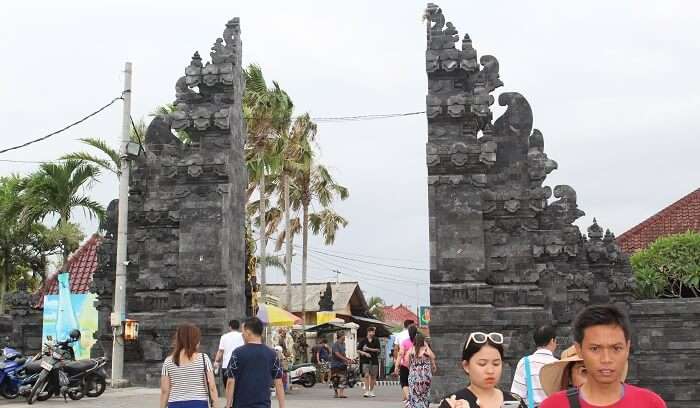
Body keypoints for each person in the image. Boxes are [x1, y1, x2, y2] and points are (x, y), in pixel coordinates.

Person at [540, 305, 666, 408]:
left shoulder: (650, 404)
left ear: (627, 348)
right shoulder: (553, 405)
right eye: (595, 349)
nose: (606, 359)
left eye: (616, 348)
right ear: (579, 349)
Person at [439, 331, 526, 408]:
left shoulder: (514, 402)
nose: (490, 371)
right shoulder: (453, 403)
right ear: (466, 366)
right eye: (482, 364)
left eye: (496, 364)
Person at [225, 317, 285, 408]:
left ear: (248, 333)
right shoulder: (272, 354)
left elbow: (230, 381)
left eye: (243, 332)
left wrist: (228, 405)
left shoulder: (237, 353)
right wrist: (282, 406)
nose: (242, 335)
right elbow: (279, 383)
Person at [160, 323, 218, 408]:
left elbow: (165, 390)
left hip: (175, 404)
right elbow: (211, 386)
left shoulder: (168, 361)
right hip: (198, 403)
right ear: (195, 340)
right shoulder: (203, 358)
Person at [511, 325, 559, 407]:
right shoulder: (559, 365)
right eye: (556, 341)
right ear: (552, 341)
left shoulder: (524, 362)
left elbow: (516, 396)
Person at [407, 331, 437, 408]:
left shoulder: (411, 350)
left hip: (414, 376)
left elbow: (408, 363)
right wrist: (426, 345)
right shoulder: (426, 350)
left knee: (414, 395)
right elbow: (433, 356)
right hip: (425, 377)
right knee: (425, 395)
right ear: (423, 340)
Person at [213, 319, 244, 394]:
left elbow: (220, 351)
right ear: (239, 327)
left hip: (226, 365)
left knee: (228, 388)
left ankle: (229, 404)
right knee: (239, 388)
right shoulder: (242, 336)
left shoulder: (224, 337)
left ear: (229, 327)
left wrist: (216, 361)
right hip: (240, 365)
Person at [396, 324, 417, 403]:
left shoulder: (405, 342)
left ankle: (408, 398)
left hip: (405, 365)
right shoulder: (420, 342)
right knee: (413, 383)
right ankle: (408, 397)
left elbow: (401, 354)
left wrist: (396, 365)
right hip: (416, 366)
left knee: (404, 382)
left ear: (408, 332)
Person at [358, 326, 381, 398]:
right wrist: (364, 353)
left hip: (374, 360)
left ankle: (371, 390)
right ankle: (367, 391)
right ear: (368, 332)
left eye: (374, 332)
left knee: (373, 376)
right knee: (366, 375)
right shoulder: (363, 340)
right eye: (372, 332)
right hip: (365, 360)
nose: (373, 333)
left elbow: (378, 350)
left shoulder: (376, 340)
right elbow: (358, 350)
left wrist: (368, 349)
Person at [330, 332, 354, 399]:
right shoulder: (335, 345)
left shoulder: (343, 344)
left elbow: (343, 354)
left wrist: (348, 359)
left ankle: (341, 393)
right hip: (335, 364)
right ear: (340, 336)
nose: (345, 337)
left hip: (342, 364)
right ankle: (336, 393)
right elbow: (337, 354)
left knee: (343, 379)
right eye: (344, 336)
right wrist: (345, 359)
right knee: (335, 379)